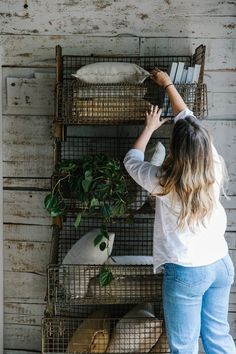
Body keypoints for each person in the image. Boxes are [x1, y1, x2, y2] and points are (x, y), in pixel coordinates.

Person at [123, 69, 236, 354]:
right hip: (221, 264)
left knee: (184, 347)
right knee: (218, 338)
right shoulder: (213, 163)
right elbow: (186, 115)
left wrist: (150, 127)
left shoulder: (163, 181)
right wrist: (169, 84)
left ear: (176, 149)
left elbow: (131, 160)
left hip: (187, 271)